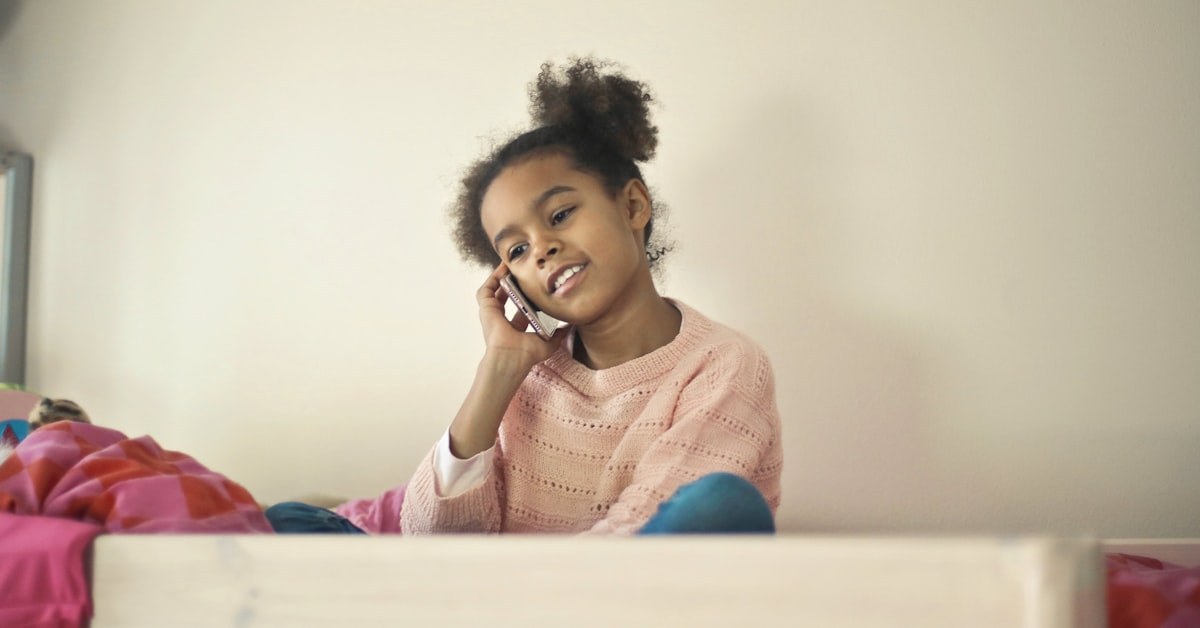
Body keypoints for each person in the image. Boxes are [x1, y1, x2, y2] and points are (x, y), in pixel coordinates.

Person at [268, 57, 783, 535]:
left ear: (632, 206)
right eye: (516, 249)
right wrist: (499, 371)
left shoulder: (724, 363)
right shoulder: (529, 377)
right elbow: (428, 538)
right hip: (491, 589)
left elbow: (640, 526)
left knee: (720, 503)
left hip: (611, 587)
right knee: (287, 521)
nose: (542, 250)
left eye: (560, 215)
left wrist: (513, 588)